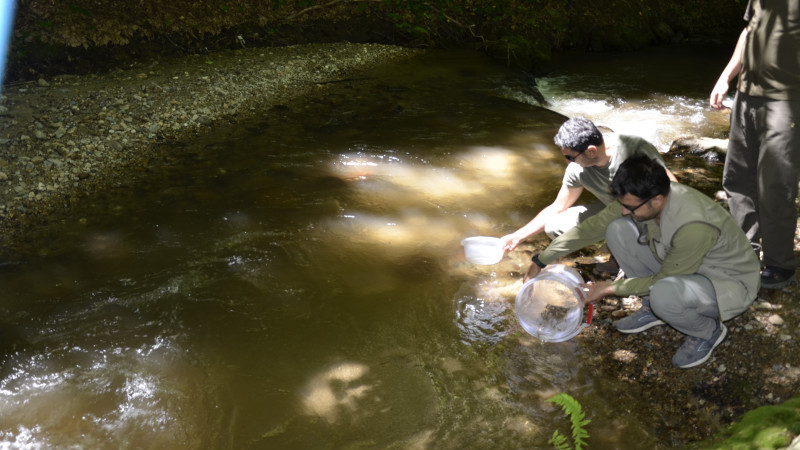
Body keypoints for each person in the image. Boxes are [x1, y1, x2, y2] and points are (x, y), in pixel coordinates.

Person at [527, 155, 761, 368]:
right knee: (617, 229)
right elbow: (592, 227)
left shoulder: (693, 226)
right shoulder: (645, 197)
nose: (626, 211)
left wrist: (608, 288)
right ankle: (653, 309)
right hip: (684, 266)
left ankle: (706, 332)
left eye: (630, 207)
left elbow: (664, 279)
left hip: (726, 283)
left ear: (657, 200)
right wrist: (542, 259)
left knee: (663, 292)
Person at [500, 116, 677, 273]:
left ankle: (637, 261)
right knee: (555, 226)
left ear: (591, 151)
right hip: (614, 208)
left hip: (647, 208)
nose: (567, 162)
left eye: (570, 157)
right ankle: (616, 254)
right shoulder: (577, 170)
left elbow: (671, 187)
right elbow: (557, 206)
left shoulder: (634, 150)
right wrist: (517, 237)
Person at [709, 0, 800, 289]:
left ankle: (779, 263)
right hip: (746, 95)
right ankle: (746, 248)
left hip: (787, 100)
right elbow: (750, 30)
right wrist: (726, 77)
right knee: (737, 178)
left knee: (775, 185)